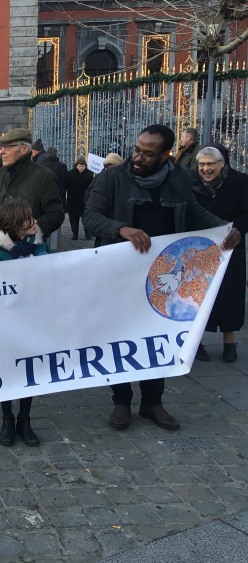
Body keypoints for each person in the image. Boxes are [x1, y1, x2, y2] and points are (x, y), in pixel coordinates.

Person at [83, 124, 241, 432]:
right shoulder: (113, 177)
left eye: (147, 153)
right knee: (123, 337)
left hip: (165, 273)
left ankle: (152, 402)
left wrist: (225, 228)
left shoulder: (179, 177)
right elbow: (91, 216)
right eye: (137, 149)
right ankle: (121, 401)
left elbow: (193, 212)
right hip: (120, 272)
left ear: (166, 154)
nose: (138, 157)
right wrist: (121, 228)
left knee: (159, 337)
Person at [0, 200, 49, 446]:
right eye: (29, 219)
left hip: (32, 318)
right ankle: (7, 418)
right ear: (14, 225)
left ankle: (25, 418)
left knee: (29, 368)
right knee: (8, 368)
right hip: (5, 322)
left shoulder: (40, 247)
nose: (35, 222)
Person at [192, 144, 248, 363]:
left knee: (230, 293)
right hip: (200, 247)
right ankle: (197, 341)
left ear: (222, 164)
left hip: (230, 245)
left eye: (210, 165)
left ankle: (229, 340)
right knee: (199, 292)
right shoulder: (191, 182)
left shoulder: (241, 182)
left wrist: (238, 229)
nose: (205, 169)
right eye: (201, 165)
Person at [0, 129, 64, 246]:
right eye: (1, 147)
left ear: (24, 149)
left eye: (7, 147)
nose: (1, 152)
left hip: (29, 251)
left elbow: (55, 214)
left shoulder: (44, 176)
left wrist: (28, 231)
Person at [66, 157, 94, 240]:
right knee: (74, 218)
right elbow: (67, 184)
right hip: (73, 199)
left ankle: (87, 233)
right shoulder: (71, 174)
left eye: (83, 166)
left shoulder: (89, 174)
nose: (81, 168)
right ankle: (75, 233)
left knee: (86, 217)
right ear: (76, 166)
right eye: (79, 166)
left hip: (85, 199)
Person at [44, 147, 68, 211]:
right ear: (57, 154)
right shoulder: (63, 166)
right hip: (60, 194)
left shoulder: (43, 167)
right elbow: (67, 181)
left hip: (47, 196)